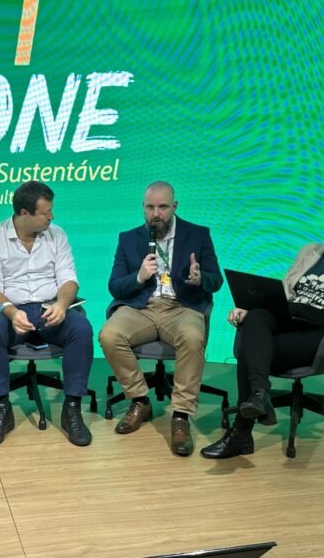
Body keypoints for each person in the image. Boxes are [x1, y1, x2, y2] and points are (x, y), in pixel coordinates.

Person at [200, 198, 324, 459]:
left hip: (319, 332)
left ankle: (241, 432)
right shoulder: (310, 251)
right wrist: (249, 309)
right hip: (287, 318)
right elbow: (284, 291)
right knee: (255, 317)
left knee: (252, 349)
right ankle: (260, 394)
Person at [98, 182, 223, 456]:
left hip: (181, 307)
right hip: (141, 307)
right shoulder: (128, 238)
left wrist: (200, 278)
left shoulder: (198, 234)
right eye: (151, 207)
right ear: (143, 208)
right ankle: (139, 400)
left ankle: (181, 416)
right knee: (108, 335)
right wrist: (139, 276)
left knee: (193, 337)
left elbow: (216, 281)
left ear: (174, 206)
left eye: (163, 207)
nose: (157, 214)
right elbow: (115, 286)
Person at [0, 181, 94, 447]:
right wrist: (10, 311)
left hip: (49, 308)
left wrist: (61, 305)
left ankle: (72, 409)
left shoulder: (57, 235)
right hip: (11, 309)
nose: (52, 216)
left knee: (81, 329)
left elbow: (69, 279)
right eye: (45, 212)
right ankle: (1, 409)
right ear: (24, 213)